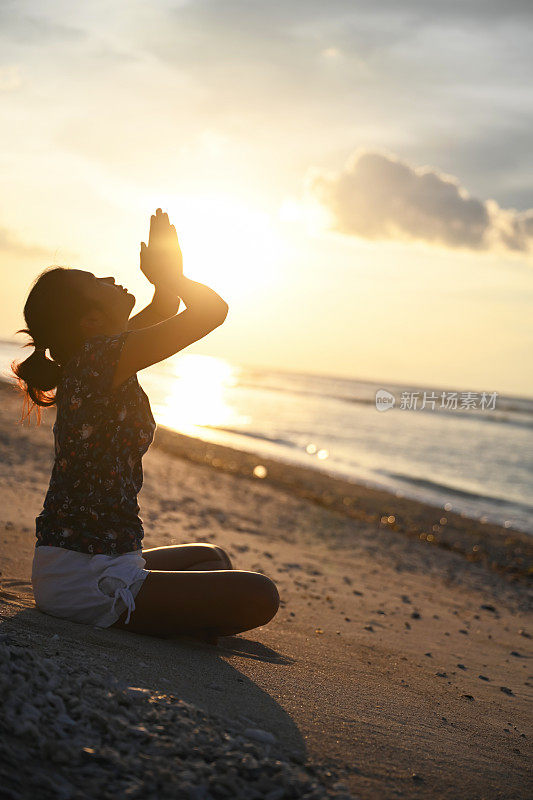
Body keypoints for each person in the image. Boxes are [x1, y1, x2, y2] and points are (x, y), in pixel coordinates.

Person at [12, 208, 279, 641]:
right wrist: (173, 276)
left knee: (211, 558)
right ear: (91, 321)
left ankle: (161, 607)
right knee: (260, 595)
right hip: (83, 575)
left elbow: (165, 309)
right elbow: (212, 311)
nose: (111, 280)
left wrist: (164, 279)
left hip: (95, 558)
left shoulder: (96, 354)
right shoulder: (99, 359)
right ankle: (139, 609)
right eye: (98, 282)